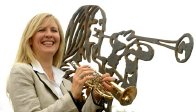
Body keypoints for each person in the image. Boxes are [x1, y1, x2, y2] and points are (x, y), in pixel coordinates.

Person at [6, 13, 115, 112]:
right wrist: (72, 96)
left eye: (54, 30)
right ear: (30, 39)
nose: (49, 34)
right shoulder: (20, 71)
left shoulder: (66, 83)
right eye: (41, 30)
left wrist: (95, 96)